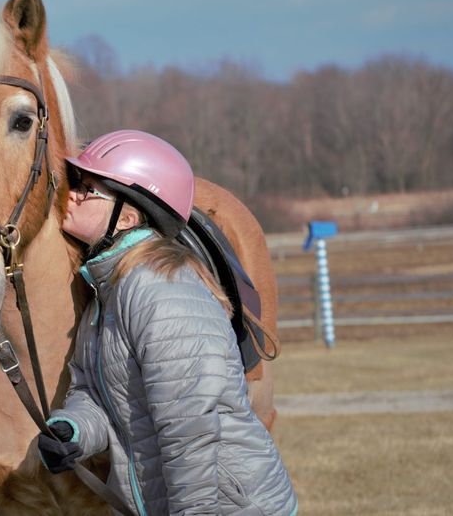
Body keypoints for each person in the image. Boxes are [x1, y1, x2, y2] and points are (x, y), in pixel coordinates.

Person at [37, 130, 298, 516]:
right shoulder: (107, 291)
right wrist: (73, 429)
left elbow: (191, 433)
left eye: (88, 188)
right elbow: (97, 391)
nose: (71, 194)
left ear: (125, 216)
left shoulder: (161, 293)